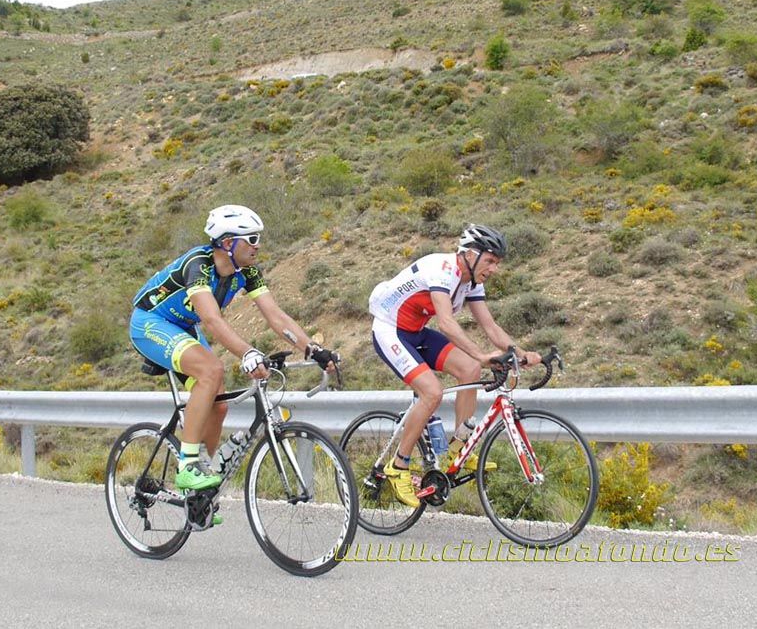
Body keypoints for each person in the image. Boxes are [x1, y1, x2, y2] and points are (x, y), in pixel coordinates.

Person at [129, 204, 338, 496]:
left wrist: (313, 350)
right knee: (211, 370)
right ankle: (187, 467)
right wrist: (248, 353)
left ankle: (200, 485)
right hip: (150, 323)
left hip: (183, 327)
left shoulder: (247, 272)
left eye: (258, 238)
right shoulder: (198, 265)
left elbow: (275, 317)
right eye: (251, 239)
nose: (258, 245)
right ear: (228, 243)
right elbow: (212, 320)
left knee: (220, 403)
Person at [368, 224, 541, 508]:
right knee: (433, 393)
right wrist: (484, 355)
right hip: (390, 331)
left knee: (470, 369)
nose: (494, 268)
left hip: (416, 331)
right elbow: (447, 323)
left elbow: (490, 326)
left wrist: (522, 354)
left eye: (497, 263)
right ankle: (398, 466)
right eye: (490, 261)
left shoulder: (472, 282)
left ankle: (458, 449)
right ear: (470, 255)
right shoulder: (443, 269)